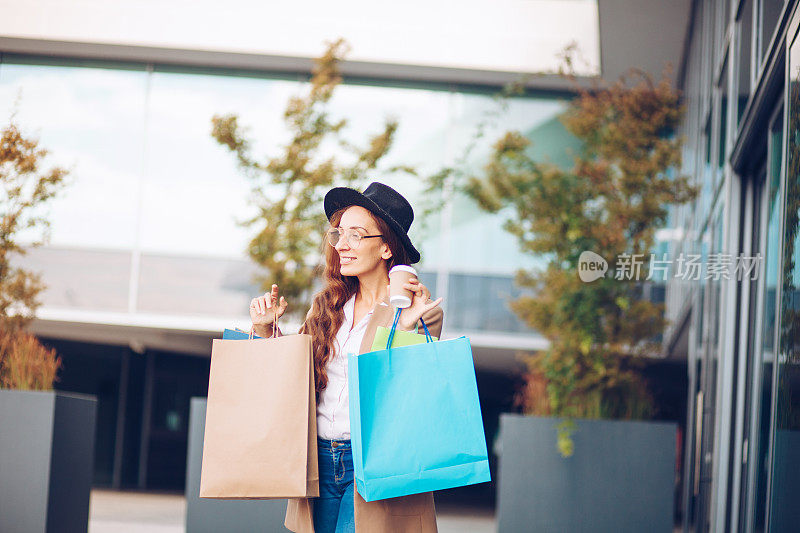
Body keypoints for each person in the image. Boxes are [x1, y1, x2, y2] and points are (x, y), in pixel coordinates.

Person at [249, 182, 444, 533]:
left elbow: (408, 390)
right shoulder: (327, 306)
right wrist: (267, 330)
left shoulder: (419, 310)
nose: (342, 245)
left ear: (386, 248)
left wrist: (407, 327)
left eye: (356, 235)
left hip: (372, 463)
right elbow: (296, 379)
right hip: (319, 460)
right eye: (339, 234)